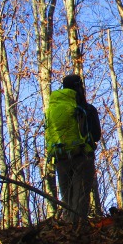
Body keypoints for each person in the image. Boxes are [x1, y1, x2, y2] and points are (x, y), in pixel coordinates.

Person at [46, 73, 101, 223]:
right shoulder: (86, 108)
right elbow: (96, 135)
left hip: (60, 157)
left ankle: (68, 232)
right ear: (79, 87)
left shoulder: (53, 107)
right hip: (82, 157)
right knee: (80, 198)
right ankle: (78, 234)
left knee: (67, 200)